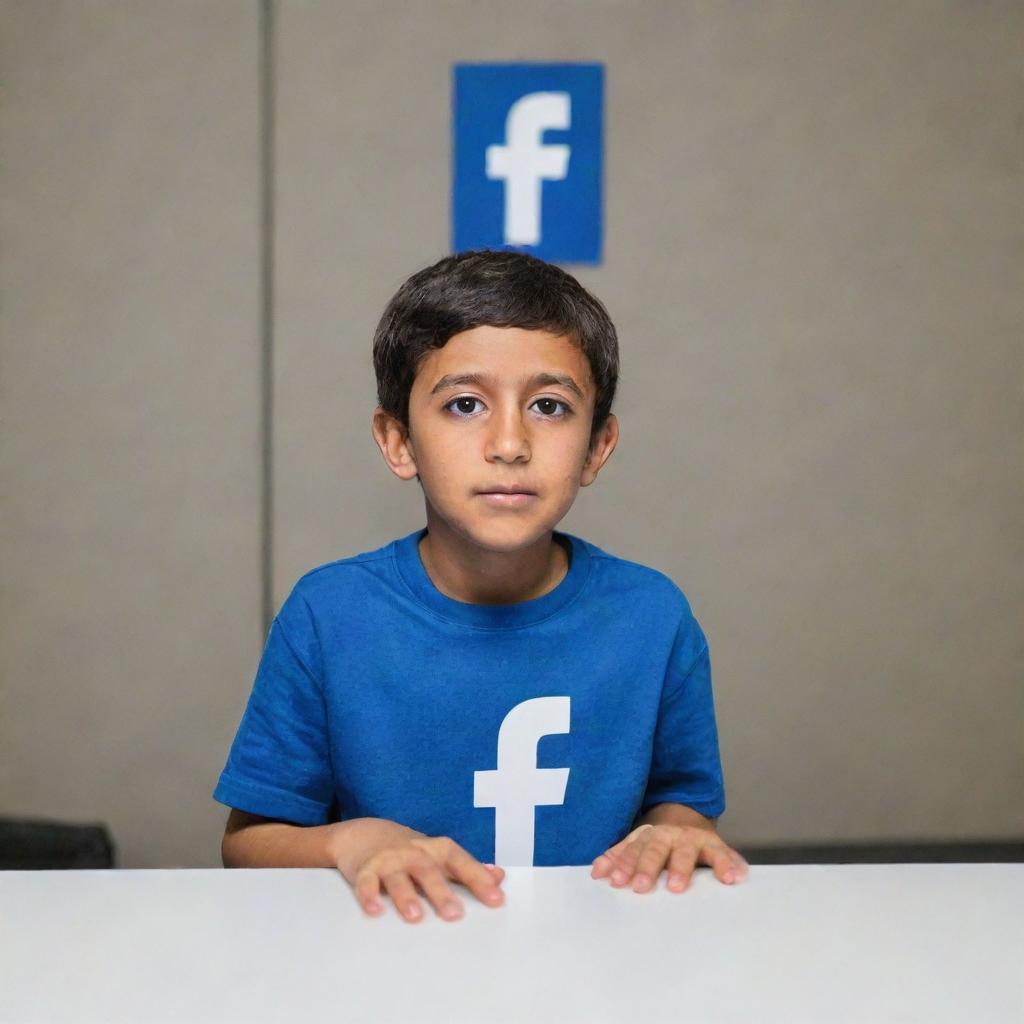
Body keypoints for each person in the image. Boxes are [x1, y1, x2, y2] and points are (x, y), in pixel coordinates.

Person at [214, 249, 749, 923]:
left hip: (595, 974)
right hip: (389, 966)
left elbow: (683, 805)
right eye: (465, 404)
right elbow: (248, 843)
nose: (509, 443)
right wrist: (352, 840)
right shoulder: (328, 614)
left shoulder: (653, 617)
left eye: (549, 406)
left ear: (597, 447)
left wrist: (679, 834)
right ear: (399, 440)